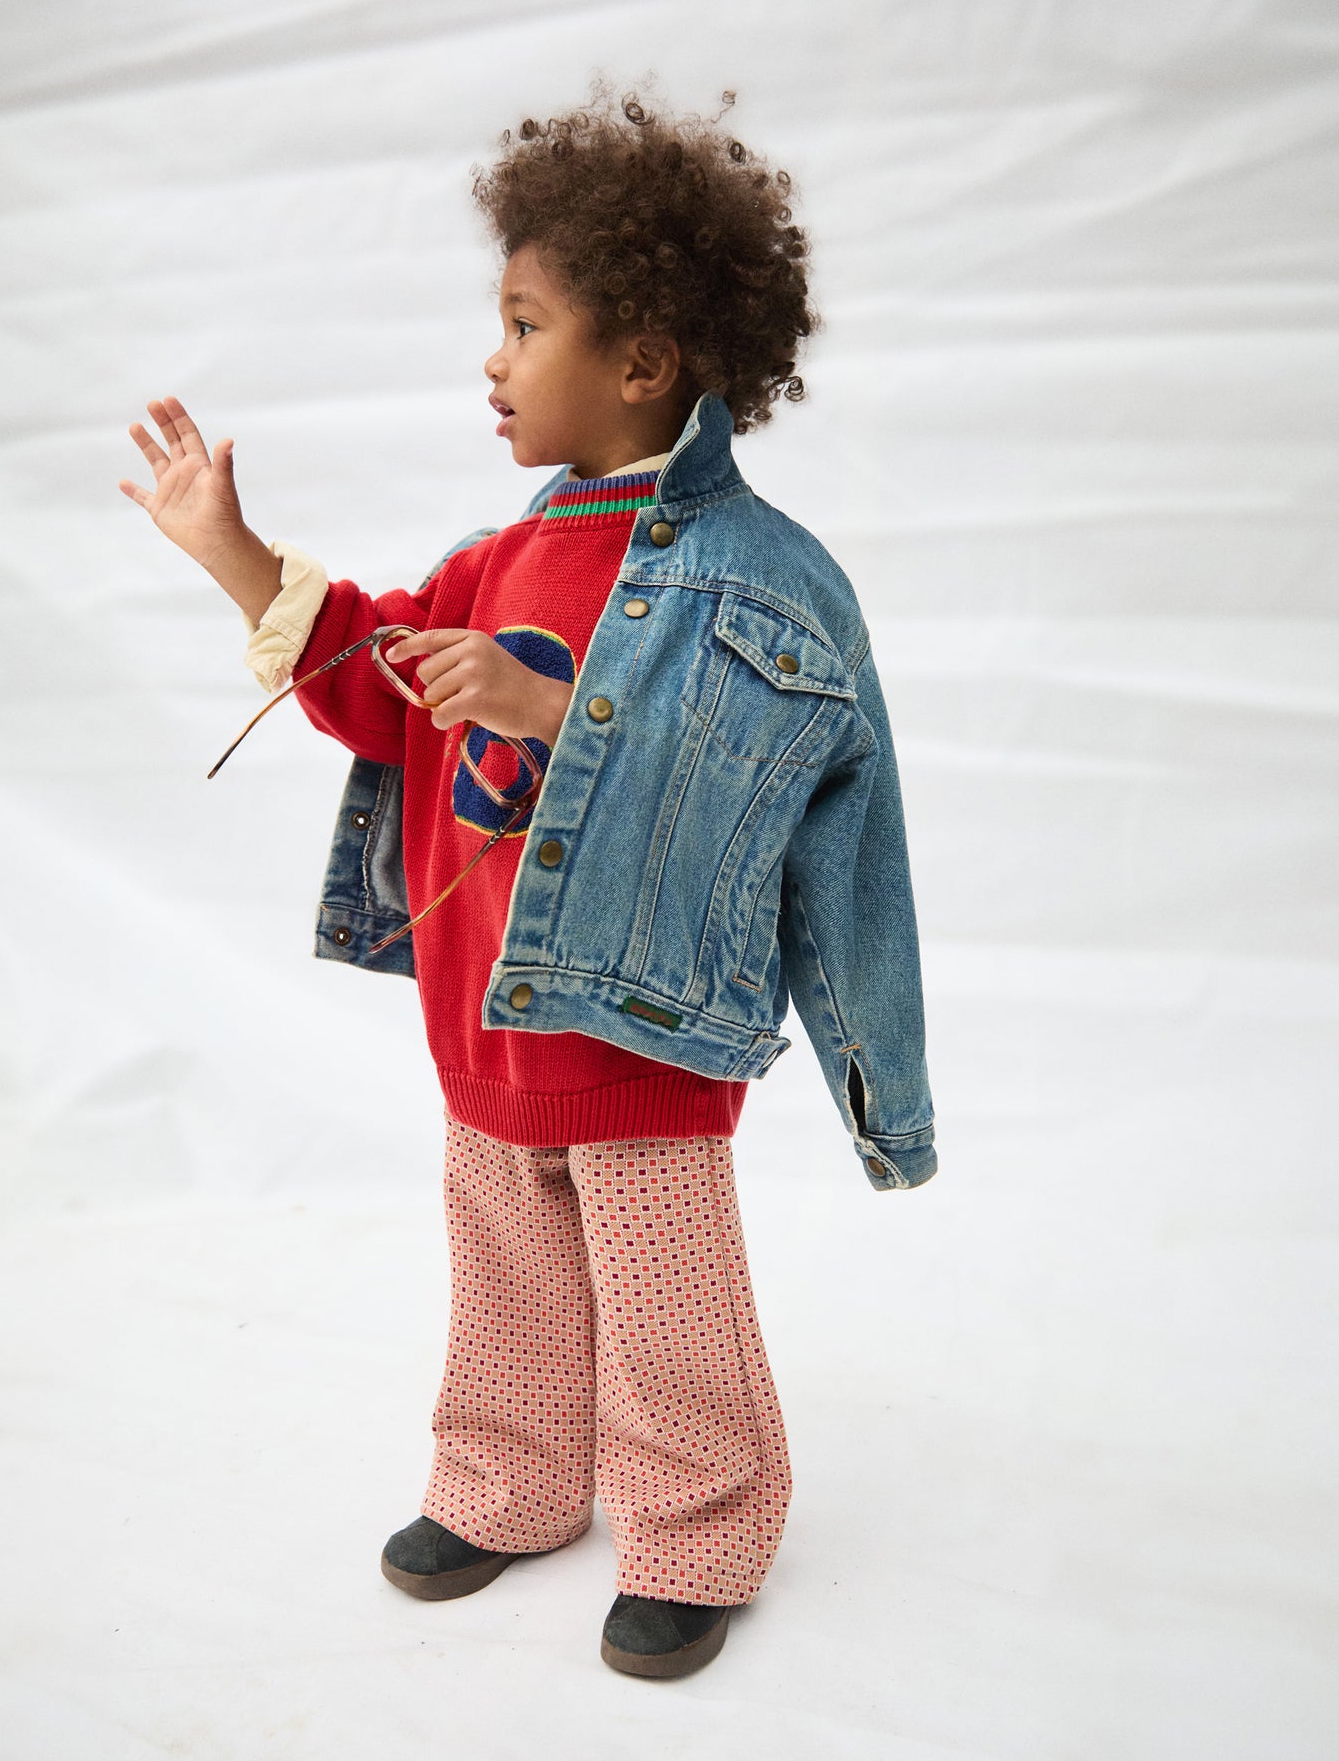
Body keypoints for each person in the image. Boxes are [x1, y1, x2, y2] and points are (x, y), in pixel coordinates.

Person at [118, 82, 936, 1681]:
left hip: (636, 1031)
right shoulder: (505, 556)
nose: (490, 362)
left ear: (638, 365)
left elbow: (734, 787)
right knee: (503, 1280)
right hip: (486, 1025)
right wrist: (232, 549)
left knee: (666, 1310)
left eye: (521, 324)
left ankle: (697, 1524)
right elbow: (371, 684)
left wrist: (553, 706)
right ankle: (508, 1481)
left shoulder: (762, 580)